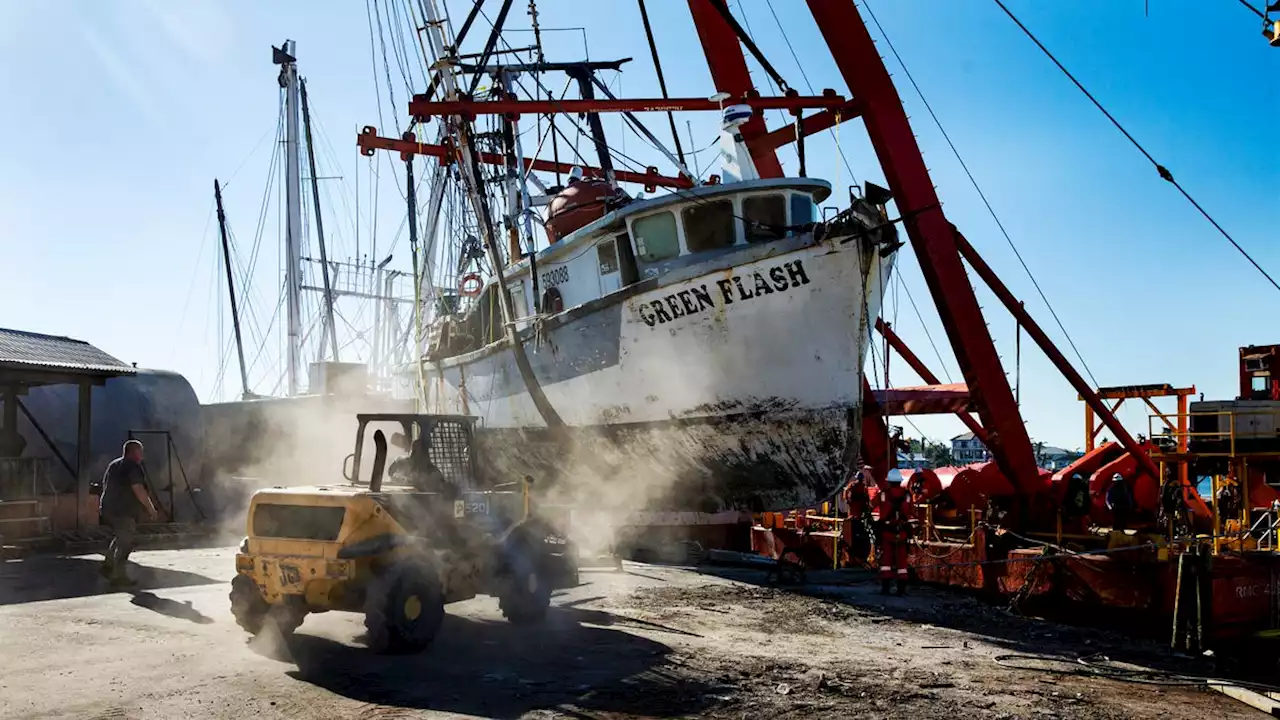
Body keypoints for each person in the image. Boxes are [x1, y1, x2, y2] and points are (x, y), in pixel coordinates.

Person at [98, 440, 158, 585]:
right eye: (140, 451)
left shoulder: (114, 464)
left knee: (120, 535)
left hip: (107, 508)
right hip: (122, 510)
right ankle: (119, 576)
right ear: (134, 452)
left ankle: (108, 566)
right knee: (126, 541)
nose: (142, 455)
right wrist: (151, 509)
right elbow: (138, 489)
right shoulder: (133, 466)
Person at [876, 468, 915, 596]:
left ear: (889, 481)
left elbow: (872, 504)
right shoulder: (907, 495)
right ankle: (901, 589)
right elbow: (912, 512)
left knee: (886, 561)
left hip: (887, 532)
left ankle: (886, 588)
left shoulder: (883, 494)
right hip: (902, 533)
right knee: (902, 562)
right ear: (899, 481)